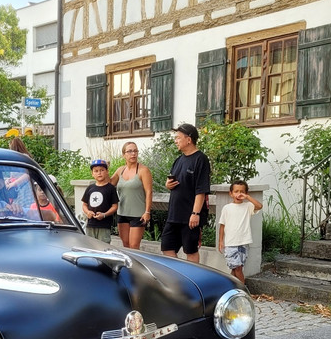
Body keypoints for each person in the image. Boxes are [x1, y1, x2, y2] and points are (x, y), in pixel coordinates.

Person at [162, 122, 211, 264]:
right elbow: (173, 180)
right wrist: (168, 185)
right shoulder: (179, 160)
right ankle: (178, 276)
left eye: (178, 138)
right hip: (174, 214)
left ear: (188, 139)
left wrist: (195, 214)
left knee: (191, 250)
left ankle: (192, 281)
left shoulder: (201, 159)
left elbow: (201, 190)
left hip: (190, 216)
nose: (175, 141)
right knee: (167, 247)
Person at [217, 180, 263, 286]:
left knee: (237, 268)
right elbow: (222, 225)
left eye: (241, 191)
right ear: (231, 193)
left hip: (243, 242)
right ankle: (243, 289)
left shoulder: (248, 206)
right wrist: (220, 241)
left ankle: (230, 287)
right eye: (236, 191)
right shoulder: (227, 208)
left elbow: (259, 206)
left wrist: (247, 197)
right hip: (230, 243)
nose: (238, 194)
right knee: (237, 268)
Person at [110, 141, 153, 249]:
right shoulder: (120, 170)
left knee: (134, 246)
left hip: (138, 214)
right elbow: (109, 185)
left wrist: (147, 212)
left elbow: (149, 192)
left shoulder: (143, 170)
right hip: (122, 213)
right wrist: (103, 169)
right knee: (125, 245)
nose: (133, 154)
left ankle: (135, 266)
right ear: (123, 154)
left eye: (135, 151)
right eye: (129, 151)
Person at [81, 159, 118, 243]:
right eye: (96, 171)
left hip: (104, 225)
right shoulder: (90, 188)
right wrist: (88, 212)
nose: (99, 173)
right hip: (90, 224)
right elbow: (84, 204)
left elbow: (115, 206)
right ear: (92, 174)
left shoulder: (111, 188)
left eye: (102, 170)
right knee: (90, 246)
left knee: (103, 247)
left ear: (107, 171)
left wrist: (104, 215)